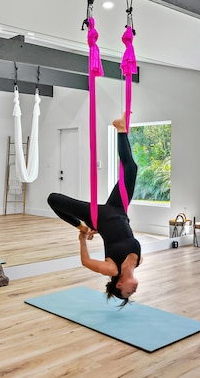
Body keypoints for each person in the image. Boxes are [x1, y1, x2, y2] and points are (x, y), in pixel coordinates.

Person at [47, 115, 141, 306]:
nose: (132, 291)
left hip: (99, 218)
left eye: (126, 292)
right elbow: (123, 234)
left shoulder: (111, 269)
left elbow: (86, 262)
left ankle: (79, 225)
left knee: (53, 199)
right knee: (131, 169)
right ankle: (120, 129)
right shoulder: (139, 261)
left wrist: (83, 235)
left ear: (119, 284)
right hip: (119, 209)